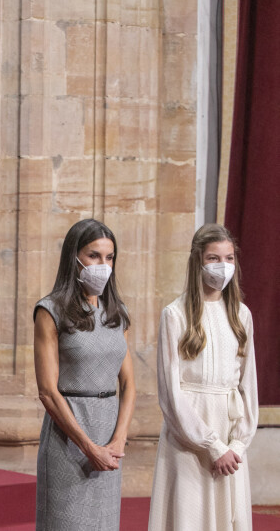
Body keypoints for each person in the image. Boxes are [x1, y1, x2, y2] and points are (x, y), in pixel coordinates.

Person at [148, 223, 258, 530]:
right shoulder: (176, 314)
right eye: (213, 258)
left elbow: (248, 387)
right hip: (189, 438)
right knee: (190, 517)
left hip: (229, 435)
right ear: (198, 260)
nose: (222, 266)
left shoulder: (241, 315)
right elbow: (171, 392)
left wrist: (236, 445)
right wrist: (212, 446)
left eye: (229, 258)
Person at [34, 219, 136, 531]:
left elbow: (129, 383)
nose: (103, 265)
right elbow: (48, 392)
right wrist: (89, 447)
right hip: (69, 437)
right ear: (74, 258)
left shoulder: (116, 312)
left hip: (109, 433)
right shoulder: (50, 310)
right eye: (94, 256)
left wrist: (118, 439)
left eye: (109, 257)